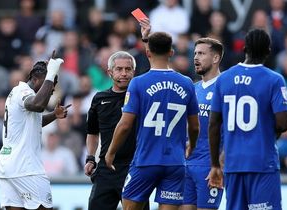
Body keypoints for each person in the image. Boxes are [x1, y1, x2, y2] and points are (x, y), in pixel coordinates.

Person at [105, 18, 200, 210]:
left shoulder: (138, 83)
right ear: (172, 53)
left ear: (148, 52)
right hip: (175, 163)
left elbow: (124, 125)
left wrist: (110, 152)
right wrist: (192, 146)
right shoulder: (187, 83)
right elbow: (195, 126)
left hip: (146, 160)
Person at [208, 29, 287, 210]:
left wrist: (215, 163)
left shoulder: (224, 79)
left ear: (244, 49)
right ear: (269, 51)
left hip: (232, 163)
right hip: (262, 163)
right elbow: (283, 124)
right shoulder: (274, 80)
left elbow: (214, 124)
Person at [0, 51, 71, 210]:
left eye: (54, 84)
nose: (51, 89)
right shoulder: (23, 92)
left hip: (8, 166)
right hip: (25, 167)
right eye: (49, 83)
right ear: (36, 79)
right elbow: (37, 105)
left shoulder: (18, 93)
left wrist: (54, 115)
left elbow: (32, 123)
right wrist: (51, 72)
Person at [84, 51, 149, 210]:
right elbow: (92, 132)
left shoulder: (142, 97)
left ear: (134, 71)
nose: (124, 73)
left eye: (128, 69)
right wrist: (91, 158)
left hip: (134, 168)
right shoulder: (99, 98)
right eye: (119, 69)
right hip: (106, 169)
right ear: (110, 72)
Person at [181, 37, 224, 210]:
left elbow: (231, 129)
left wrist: (220, 164)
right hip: (187, 164)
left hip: (209, 166)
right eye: (195, 53)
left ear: (215, 58)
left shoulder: (225, 87)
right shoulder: (194, 88)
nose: (196, 58)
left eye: (201, 53)